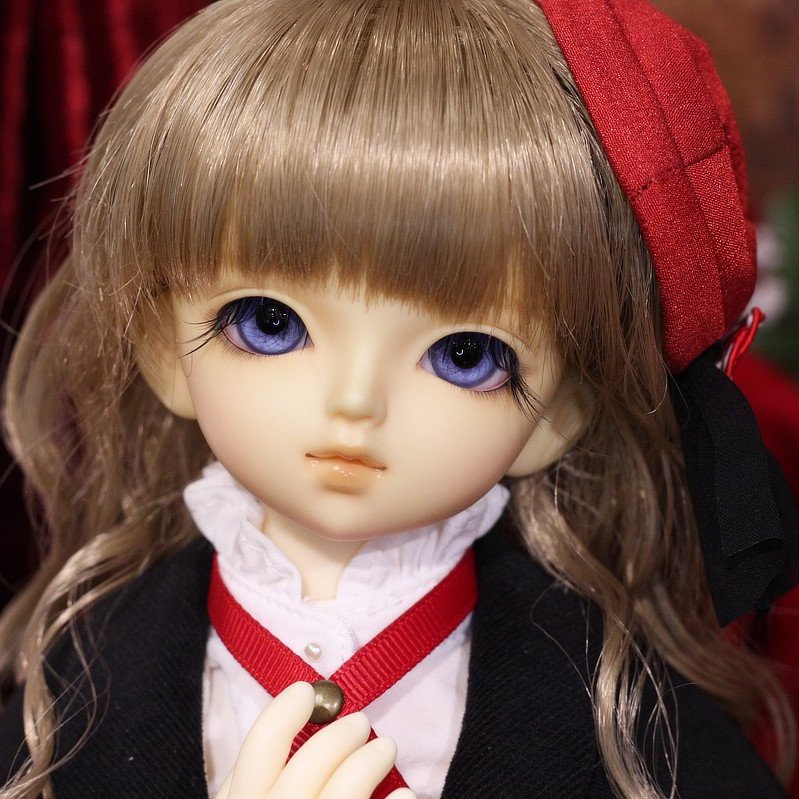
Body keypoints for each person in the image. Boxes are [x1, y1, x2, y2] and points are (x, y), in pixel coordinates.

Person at [0, 0, 794, 797]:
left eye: (464, 355)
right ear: (164, 351)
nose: (356, 402)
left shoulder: (618, 712)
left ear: (557, 413)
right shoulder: (77, 683)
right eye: (269, 323)